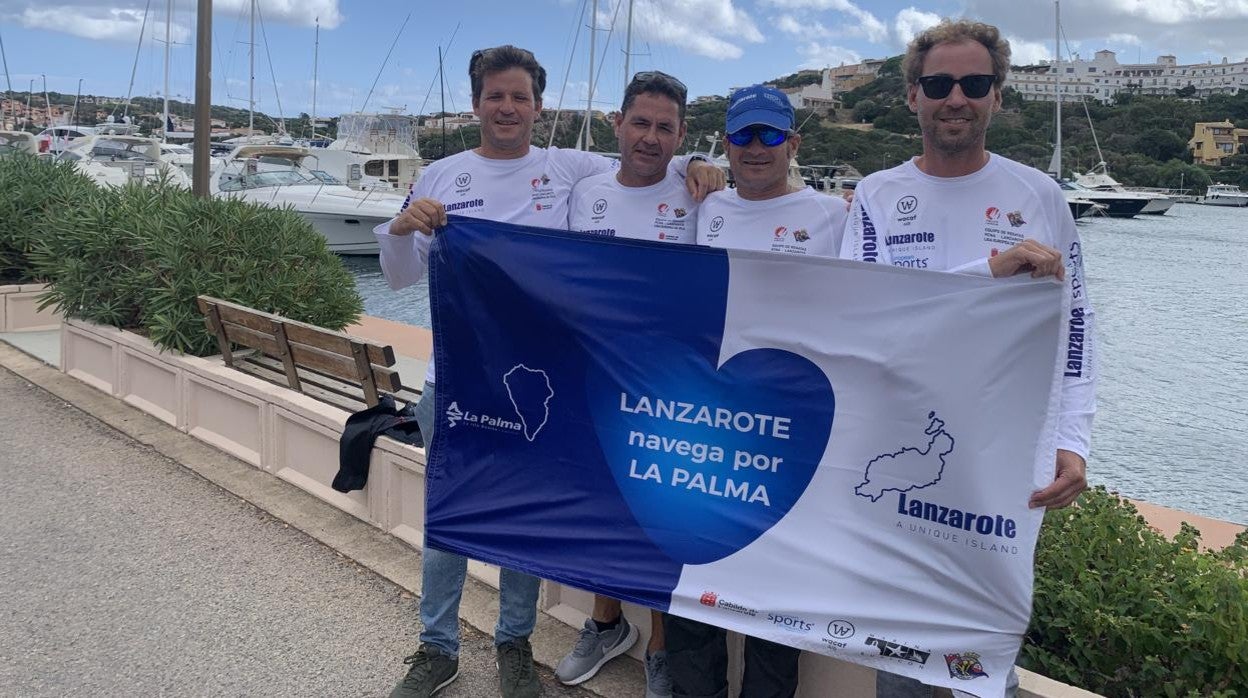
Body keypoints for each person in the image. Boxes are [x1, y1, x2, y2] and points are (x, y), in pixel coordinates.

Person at [374, 45, 724, 698]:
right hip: (452, 380)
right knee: (448, 517)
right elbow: (399, 276)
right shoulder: (441, 175)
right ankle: (435, 647)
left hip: (536, 385)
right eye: (494, 96)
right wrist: (399, 228)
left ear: (539, 107)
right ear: (476, 104)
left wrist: (702, 164)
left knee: (524, 518)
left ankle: (515, 643)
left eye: (519, 97)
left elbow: (646, 162)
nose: (507, 108)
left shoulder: (570, 168)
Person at [838, 19, 1095, 698]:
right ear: (913, 96)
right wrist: (988, 272)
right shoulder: (877, 196)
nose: (957, 97)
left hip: (999, 462)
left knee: (984, 664)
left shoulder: (1039, 196)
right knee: (900, 665)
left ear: (998, 97)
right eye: (939, 83)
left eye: (974, 83)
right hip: (897, 453)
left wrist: (1072, 438)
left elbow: (1077, 325)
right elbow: (865, 314)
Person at [660, 83, 848, 698]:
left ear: (793, 142)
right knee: (694, 592)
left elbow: (890, 303)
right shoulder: (706, 207)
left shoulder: (833, 216)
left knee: (774, 603)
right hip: (708, 431)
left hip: (789, 434)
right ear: (727, 144)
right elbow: (624, 168)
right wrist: (690, 162)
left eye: (771, 134)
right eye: (743, 135)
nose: (756, 147)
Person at [555, 69, 698, 698]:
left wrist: (702, 164)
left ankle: (660, 654)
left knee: (658, 521)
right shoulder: (584, 192)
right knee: (605, 512)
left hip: (672, 386)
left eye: (666, 128)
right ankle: (606, 624)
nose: (651, 137)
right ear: (617, 123)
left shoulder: (700, 192)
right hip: (597, 377)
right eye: (640, 122)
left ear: (681, 136)